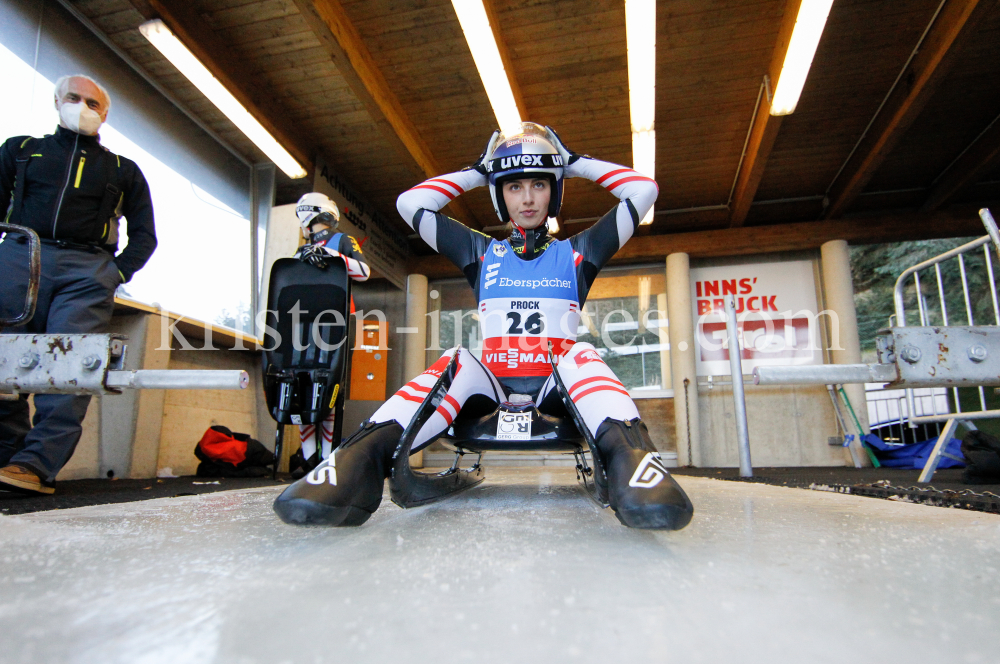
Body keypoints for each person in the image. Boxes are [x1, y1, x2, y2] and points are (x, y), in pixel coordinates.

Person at [273, 122, 693, 530]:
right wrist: (479, 171)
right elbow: (410, 204)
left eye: (540, 184)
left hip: (556, 390)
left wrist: (572, 162)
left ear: (555, 190)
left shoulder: (579, 251)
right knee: (456, 357)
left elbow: (644, 191)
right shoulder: (480, 251)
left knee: (582, 351)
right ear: (499, 194)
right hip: (490, 387)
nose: (527, 198)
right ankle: (357, 461)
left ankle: (634, 462)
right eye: (513, 186)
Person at [0, 75, 156, 494]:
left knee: (70, 367)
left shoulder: (123, 170)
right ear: (57, 101)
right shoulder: (21, 151)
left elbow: (145, 235)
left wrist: (115, 273)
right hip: (19, 255)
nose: (83, 106)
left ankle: (34, 464)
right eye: (74, 98)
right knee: (2, 360)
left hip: (87, 271)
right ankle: (5, 454)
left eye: (93, 102)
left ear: (104, 114)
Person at [287, 192, 370, 478]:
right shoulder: (300, 250)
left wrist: (332, 256)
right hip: (303, 322)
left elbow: (363, 271)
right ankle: (308, 456)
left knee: (329, 382)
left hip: (336, 319)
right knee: (303, 383)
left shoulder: (342, 240)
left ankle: (326, 454)